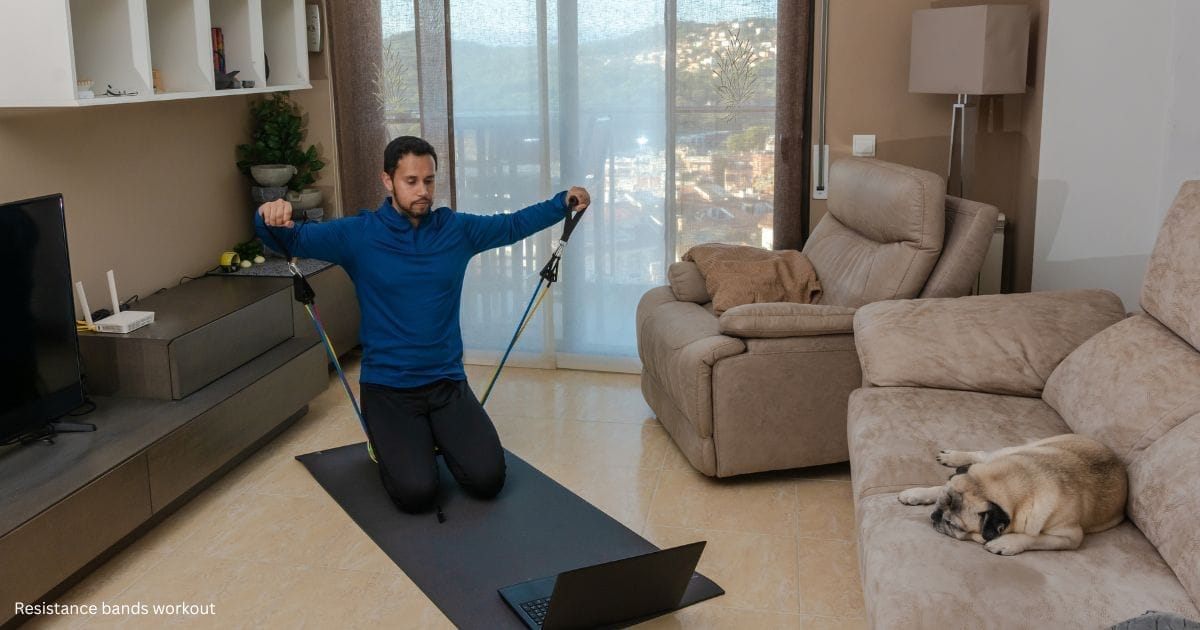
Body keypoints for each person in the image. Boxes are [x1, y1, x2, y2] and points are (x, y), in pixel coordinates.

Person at [255, 135, 590, 513]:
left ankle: (431, 433)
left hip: (447, 383)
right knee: (417, 494)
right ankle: (387, 442)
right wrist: (268, 213)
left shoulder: (456, 230)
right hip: (388, 388)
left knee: (488, 481)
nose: (423, 191)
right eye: (411, 181)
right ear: (387, 181)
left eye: (429, 181)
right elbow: (287, 238)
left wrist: (561, 203)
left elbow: (511, 225)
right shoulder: (358, 235)